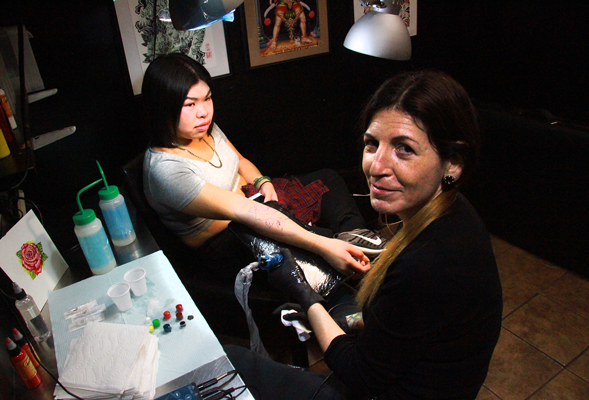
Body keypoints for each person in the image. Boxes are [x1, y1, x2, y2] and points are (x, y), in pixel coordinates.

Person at [225, 70, 503, 399]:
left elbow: (361, 374)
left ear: (452, 164)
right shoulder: (452, 211)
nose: (376, 166)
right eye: (372, 144)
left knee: (232, 359)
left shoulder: (431, 262)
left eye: (405, 150)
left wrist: (305, 296)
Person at [141, 52, 379, 280]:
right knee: (320, 243)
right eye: (190, 104)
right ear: (164, 107)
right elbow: (242, 211)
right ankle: (350, 258)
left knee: (327, 179)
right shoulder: (166, 169)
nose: (204, 112)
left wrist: (261, 182)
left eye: (207, 98)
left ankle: (356, 238)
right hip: (231, 238)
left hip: (252, 202)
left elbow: (241, 162)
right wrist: (324, 245)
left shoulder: (202, 129)